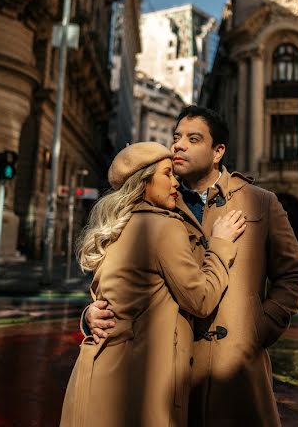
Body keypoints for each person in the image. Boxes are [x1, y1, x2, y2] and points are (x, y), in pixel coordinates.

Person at [86, 106, 298, 427]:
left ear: (218, 151)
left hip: (235, 374)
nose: (178, 145)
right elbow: (116, 271)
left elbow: (293, 277)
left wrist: (256, 330)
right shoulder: (156, 198)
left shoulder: (260, 201)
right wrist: (91, 312)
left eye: (193, 139)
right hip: (166, 375)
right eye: (176, 137)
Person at [60, 142, 245, 427]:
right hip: (138, 391)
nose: (175, 182)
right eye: (167, 174)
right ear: (143, 182)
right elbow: (202, 299)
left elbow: (109, 300)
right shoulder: (164, 227)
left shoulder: (116, 227)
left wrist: (88, 317)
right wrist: (220, 243)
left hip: (95, 379)